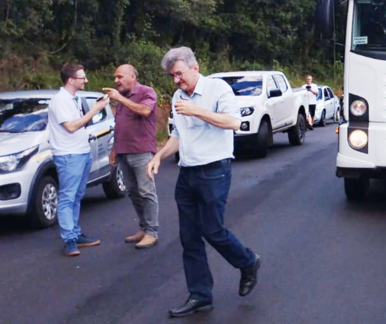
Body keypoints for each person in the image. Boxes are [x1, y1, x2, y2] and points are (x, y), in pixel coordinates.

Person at [146, 47, 261, 318]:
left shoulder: (218, 89)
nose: (176, 81)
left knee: (213, 230)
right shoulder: (178, 96)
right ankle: (200, 295)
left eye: (179, 74)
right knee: (189, 238)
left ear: (194, 68)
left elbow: (233, 122)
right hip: (187, 174)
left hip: (214, 171)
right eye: (172, 76)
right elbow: (178, 135)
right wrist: (159, 156)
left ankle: (248, 262)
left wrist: (198, 111)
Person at [47, 63, 110, 256]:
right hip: (68, 155)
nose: (86, 80)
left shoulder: (72, 99)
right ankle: (69, 240)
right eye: (83, 78)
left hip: (81, 152)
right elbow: (71, 126)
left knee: (76, 195)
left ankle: (75, 233)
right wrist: (96, 109)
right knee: (67, 196)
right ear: (71, 80)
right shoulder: (60, 101)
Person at [102, 65, 159, 249]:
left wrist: (119, 98)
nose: (116, 80)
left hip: (142, 152)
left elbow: (145, 111)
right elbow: (120, 125)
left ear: (133, 76)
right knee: (133, 192)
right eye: (115, 77)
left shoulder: (146, 92)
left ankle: (152, 232)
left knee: (146, 192)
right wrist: (114, 150)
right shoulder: (122, 98)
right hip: (124, 152)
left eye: (120, 77)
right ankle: (143, 228)